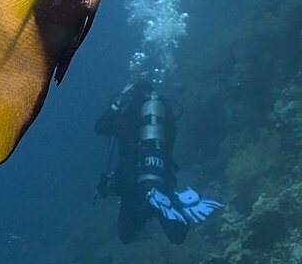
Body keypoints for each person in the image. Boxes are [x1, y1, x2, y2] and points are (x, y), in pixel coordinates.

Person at [95, 81, 223, 244]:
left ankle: (147, 206)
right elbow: (169, 142)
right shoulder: (165, 114)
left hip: (132, 181)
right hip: (163, 176)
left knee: (126, 234)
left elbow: (100, 128)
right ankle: (170, 202)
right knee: (178, 236)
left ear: (133, 95)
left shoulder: (128, 113)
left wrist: (116, 105)